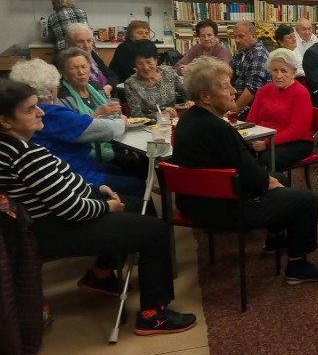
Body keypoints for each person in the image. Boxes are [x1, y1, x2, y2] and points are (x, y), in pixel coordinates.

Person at [0, 80, 196, 335]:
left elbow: (61, 184)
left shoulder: (11, 148)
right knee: (156, 231)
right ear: (5, 121)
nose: (41, 112)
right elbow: (72, 209)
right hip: (54, 228)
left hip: (47, 219)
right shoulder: (26, 155)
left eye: (38, 106)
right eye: (30, 109)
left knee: (139, 205)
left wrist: (96, 191)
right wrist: (106, 206)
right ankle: (153, 314)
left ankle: (102, 274)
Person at [171, 56, 318, 284]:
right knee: (304, 199)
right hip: (224, 208)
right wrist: (266, 183)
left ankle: (275, 240)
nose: (234, 91)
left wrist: (267, 180)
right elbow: (254, 177)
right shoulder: (220, 130)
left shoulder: (188, 121)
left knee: (278, 177)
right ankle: (298, 266)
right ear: (205, 96)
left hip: (194, 201)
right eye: (226, 87)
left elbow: (246, 171)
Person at [9, 59, 146, 199]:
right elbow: (106, 130)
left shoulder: (23, 114)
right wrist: (122, 121)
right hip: (78, 174)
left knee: (124, 168)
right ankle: (141, 217)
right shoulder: (51, 113)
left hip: (62, 171)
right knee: (137, 184)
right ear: (51, 91)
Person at [246, 49, 313, 170]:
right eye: (275, 70)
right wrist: (253, 139)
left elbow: (297, 130)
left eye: (283, 71)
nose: (278, 76)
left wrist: (266, 143)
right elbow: (251, 120)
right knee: (237, 154)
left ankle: (277, 187)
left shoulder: (301, 93)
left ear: (293, 72)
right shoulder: (263, 91)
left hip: (296, 141)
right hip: (263, 139)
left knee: (266, 160)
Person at [124, 40, 189, 119]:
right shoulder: (131, 84)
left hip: (174, 120)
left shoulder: (168, 72)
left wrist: (188, 101)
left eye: (149, 62)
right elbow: (137, 115)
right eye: (140, 64)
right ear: (135, 65)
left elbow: (187, 92)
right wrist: (160, 114)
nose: (146, 67)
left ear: (156, 60)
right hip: (150, 126)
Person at [230, 21, 271, 116]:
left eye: (241, 36)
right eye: (235, 37)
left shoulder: (258, 53)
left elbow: (253, 87)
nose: (237, 40)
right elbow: (231, 78)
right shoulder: (240, 52)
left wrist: (233, 111)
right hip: (238, 103)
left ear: (253, 36)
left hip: (254, 107)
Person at [65, 23, 118, 96]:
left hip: (105, 94)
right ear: (70, 43)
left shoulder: (91, 55)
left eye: (89, 40)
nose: (86, 45)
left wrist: (108, 87)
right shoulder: (66, 60)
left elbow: (112, 76)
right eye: (80, 41)